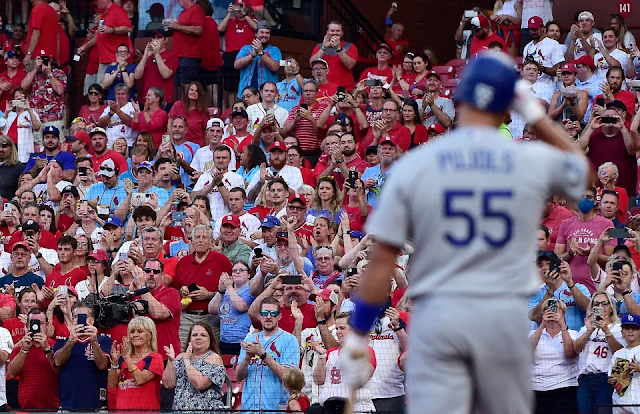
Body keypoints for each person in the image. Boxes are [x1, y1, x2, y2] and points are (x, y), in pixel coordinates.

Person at [343, 52, 589, 414]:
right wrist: (534, 115)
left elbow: (381, 264)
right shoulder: (524, 160)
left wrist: (358, 333)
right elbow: (583, 173)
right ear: (508, 104)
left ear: (460, 100)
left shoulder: (416, 164)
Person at [236, 296, 299, 412]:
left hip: (276, 409)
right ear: (259, 316)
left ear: (279, 316)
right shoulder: (250, 339)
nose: (268, 317)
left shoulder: (290, 340)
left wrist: (262, 354)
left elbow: (288, 377)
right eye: (265, 313)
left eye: (273, 313)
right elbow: (238, 377)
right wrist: (246, 359)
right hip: (249, 409)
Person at [174, 225, 233, 344]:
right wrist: (182, 291)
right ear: (192, 240)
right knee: (182, 352)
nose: (200, 240)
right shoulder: (183, 262)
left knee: (212, 353)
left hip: (212, 317)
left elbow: (233, 290)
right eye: (197, 237)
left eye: (204, 237)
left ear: (211, 242)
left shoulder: (222, 261)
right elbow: (175, 288)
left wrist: (210, 294)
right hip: (187, 317)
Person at [554, 187, 616, 292]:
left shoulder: (608, 224)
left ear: (595, 201)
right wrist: (570, 252)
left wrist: (591, 253)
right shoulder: (565, 224)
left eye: (589, 197)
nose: (585, 199)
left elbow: (611, 259)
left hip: (596, 289)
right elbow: (557, 257)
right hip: (569, 288)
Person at [53, 301, 111, 411]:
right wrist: (71, 341)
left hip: (97, 407)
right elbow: (57, 362)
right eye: (76, 317)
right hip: (68, 406)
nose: (80, 320)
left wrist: (94, 342)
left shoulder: (103, 340)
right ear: (72, 320)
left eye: (84, 316)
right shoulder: (62, 342)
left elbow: (103, 365)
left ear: (92, 320)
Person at [314, 311, 376, 412]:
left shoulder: (365, 351)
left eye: (342, 328)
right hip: (330, 409)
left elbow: (363, 376)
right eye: (337, 328)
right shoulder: (331, 352)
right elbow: (318, 380)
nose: (338, 332)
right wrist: (322, 355)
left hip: (357, 410)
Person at [573, 293, 624, 414]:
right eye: (596, 304)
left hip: (606, 379)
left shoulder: (618, 328)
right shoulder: (586, 328)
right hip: (585, 379)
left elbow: (620, 352)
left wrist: (606, 330)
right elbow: (576, 348)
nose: (600, 307)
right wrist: (589, 331)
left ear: (611, 308)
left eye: (604, 304)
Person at [530, 299, 580, 414]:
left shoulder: (573, 334)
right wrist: (542, 325)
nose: (551, 311)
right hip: (537, 387)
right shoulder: (534, 333)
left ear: (563, 313)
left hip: (564, 386)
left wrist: (563, 327)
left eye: (555, 308)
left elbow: (570, 355)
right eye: (547, 309)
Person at [162, 322, 226, 411]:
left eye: (203, 335)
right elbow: (168, 384)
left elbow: (200, 384)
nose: (198, 338)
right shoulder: (181, 357)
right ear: (189, 339)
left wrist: (187, 362)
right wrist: (171, 361)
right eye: (194, 335)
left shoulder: (214, 358)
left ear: (210, 339)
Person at [580, 107, 637, 203]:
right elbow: (579, 149)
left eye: (613, 117)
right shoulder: (594, 136)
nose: (609, 119)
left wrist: (622, 127)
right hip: (598, 192)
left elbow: (632, 150)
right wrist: (591, 127)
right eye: (606, 117)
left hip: (625, 191)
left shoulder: (625, 135)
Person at [108, 316, 164, 411]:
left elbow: (140, 379)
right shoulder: (123, 359)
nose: (135, 335)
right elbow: (112, 384)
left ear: (149, 335)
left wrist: (126, 357)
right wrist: (115, 363)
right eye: (132, 332)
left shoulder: (155, 357)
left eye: (140, 331)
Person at [208, 262, 255, 355]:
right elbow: (211, 310)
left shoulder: (250, 290)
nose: (237, 272)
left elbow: (241, 307)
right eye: (234, 271)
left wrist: (229, 287)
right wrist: (220, 291)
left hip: (243, 340)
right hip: (224, 340)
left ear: (249, 275)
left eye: (241, 270)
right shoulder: (226, 292)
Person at [20, 52, 67, 143]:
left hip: (54, 118)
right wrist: (35, 69)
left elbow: (60, 91)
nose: (42, 61)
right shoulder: (33, 73)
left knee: (55, 145)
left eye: (45, 59)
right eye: (40, 59)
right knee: (37, 147)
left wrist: (49, 73)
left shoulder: (59, 73)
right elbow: (23, 86)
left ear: (51, 60)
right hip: (36, 119)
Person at [165, 0, 204, 96]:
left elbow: (198, 29)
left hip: (189, 55)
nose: (178, 2)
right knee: (179, 85)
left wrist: (178, 26)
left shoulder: (196, 9)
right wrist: (173, 26)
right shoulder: (182, 13)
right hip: (179, 55)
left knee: (188, 85)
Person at [234, 21, 282, 99]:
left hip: (267, 95)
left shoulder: (275, 50)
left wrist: (261, 53)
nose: (264, 35)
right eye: (262, 32)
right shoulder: (246, 48)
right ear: (256, 34)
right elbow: (236, 65)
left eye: (267, 33)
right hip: (246, 94)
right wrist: (252, 55)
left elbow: (275, 67)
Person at [134, 29, 178, 109]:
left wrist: (157, 54)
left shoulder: (172, 55)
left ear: (166, 40)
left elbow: (166, 74)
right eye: (154, 38)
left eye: (159, 38)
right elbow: (137, 76)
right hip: (146, 101)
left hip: (163, 101)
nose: (156, 40)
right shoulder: (148, 56)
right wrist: (145, 56)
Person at [309, 21, 358, 88]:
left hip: (344, 89)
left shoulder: (350, 46)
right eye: (332, 30)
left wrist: (338, 48)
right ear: (327, 32)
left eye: (338, 31)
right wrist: (324, 48)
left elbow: (350, 65)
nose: (335, 33)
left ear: (342, 33)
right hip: (323, 88)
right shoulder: (319, 46)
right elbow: (312, 64)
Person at [608, 313, 640, 412]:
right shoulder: (618, 354)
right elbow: (611, 377)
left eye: (634, 328)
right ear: (621, 331)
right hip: (620, 402)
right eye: (627, 328)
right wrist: (612, 381)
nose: (630, 331)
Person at [522, 16, 564, 88]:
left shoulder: (553, 44)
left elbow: (557, 70)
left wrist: (541, 68)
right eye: (531, 29)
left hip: (547, 86)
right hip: (530, 87)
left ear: (542, 28)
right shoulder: (527, 46)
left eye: (535, 29)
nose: (533, 32)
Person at [0, 88, 41, 163]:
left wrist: (29, 109)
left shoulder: (31, 113)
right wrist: (6, 112)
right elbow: (1, 127)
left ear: (26, 99)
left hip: (24, 149)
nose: (18, 98)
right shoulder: (10, 114)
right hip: (9, 147)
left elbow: (37, 127)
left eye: (21, 96)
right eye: (16, 96)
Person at [168, 82, 209, 147]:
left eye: (196, 91)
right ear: (187, 91)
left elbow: (205, 133)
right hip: (177, 145)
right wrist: (172, 143)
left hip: (196, 147)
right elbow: (170, 124)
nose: (193, 92)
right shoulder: (177, 105)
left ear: (200, 94)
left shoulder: (203, 111)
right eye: (191, 90)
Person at [0, 50, 27, 115]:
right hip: (1, 114)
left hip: (18, 114)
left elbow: (24, 100)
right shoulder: (1, 77)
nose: (14, 60)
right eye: (11, 58)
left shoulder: (24, 76)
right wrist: (1, 90)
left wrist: (11, 91)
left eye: (16, 58)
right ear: (6, 61)